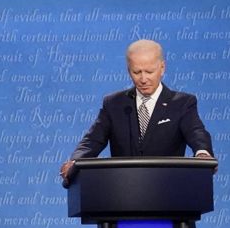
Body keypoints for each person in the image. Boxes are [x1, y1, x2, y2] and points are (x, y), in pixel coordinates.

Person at [59, 39, 213, 184]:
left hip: (168, 191)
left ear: (162, 67)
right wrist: (75, 161)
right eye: (137, 72)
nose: (143, 79)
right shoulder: (114, 104)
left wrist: (202, 153)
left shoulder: (182, 104)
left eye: (149, 71)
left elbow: (196, 132)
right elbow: (92, 140)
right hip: (123, 194)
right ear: (128, 70)